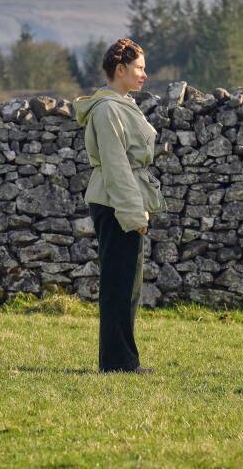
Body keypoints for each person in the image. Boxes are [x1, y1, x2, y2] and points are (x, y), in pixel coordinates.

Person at [74, 38, 165, 374]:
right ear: (120, 69)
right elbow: (116, 165)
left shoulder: (122, 104)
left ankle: (123, 359)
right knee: (119, 285)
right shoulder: (110, 109)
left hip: (120, 200)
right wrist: (132, 212)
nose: (144, 74)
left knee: (127, 284)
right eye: (139, 68)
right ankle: (118, 362)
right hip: (115, 203)